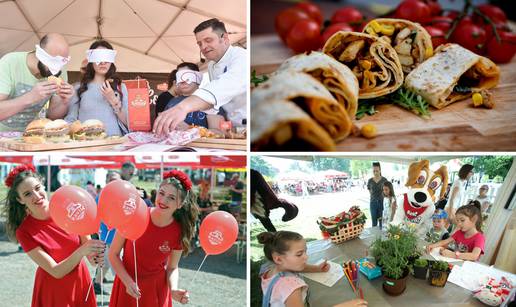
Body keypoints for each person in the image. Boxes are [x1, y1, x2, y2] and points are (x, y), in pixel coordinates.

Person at [2, 164, 105, 306]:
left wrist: (95, 256)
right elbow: (55, 271)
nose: (36, 196)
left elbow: (87, 249)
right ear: (20, 200)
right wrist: (82, 251)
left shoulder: (67, 206)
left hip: (80, 280)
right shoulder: (24, 231)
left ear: (43, 186)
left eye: (37, 188)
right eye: (27, 194)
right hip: (53, 289)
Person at [108, 170, 197, 306]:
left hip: (156, 291)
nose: (163, 200)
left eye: (172, 198)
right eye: (161, 193)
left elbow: (172, 267)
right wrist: (128, 282)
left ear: (180, 204)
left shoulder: (179, 231)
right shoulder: (135, 215)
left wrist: (173, 289)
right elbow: (113, 254)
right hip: (127, 287)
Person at [153, 18, 246, 135]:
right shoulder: (212, 65)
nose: (203, 47)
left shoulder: (242, 57)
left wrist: (182, 108)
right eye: (200, 43)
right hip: (233, 128)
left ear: (225, 38)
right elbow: (217, 102)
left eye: (208, 40)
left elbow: (225, 86)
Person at [258, 231, 368, 307]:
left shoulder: (270, 267)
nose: (306, 257)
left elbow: (295, 269)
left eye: (305, 251)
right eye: (299, 254)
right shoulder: (291, 288)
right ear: (278, 259)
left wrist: (316, 268)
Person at [0, 33, 74, 131]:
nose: (56, 70)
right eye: (53, 62)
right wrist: (30, 97)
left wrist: (65, 102)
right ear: (40, 54)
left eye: (61, 62)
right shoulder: (10, 62)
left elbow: (53, 116)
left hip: (32, 135)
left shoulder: (60, 71)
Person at [65, 40, 128, 136]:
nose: (103, 62)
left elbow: (129, 123)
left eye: (106, 57)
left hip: (114, 144)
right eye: (98, 58)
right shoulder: (79, 88)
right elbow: (71, 120)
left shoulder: (120, 87)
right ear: (91, 60)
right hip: (87, 145)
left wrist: (114, 101)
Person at [156, 62, 213, 128]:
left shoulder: (210, 100)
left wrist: (189, 128)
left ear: (198, 77)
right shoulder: (171, 102)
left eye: (187, 76)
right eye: (179, 77)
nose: (183, 81)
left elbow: (218, 133)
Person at [94, 171, 121, 295]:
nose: (114, 182)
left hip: (119, 236)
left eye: (116, 180)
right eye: (111, 180)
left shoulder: (122, 196)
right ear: (106, 182)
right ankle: (121, 291)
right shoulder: (101, 196)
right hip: (108, 237)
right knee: (118, 266)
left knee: (105, 263)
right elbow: (98, 216)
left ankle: (97, 284)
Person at [367, 162, 387, 228]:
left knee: (381, 222)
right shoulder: (370, 180)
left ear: (380, 170)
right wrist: (374, 198)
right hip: (373, 203)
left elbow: (387, 191)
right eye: (374, 171)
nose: (375, 172)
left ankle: (381, 236)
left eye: (377, 171)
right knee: (374, 222)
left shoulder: (384, 180)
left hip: (382, 203)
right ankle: (374, 237)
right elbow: (370, 191)